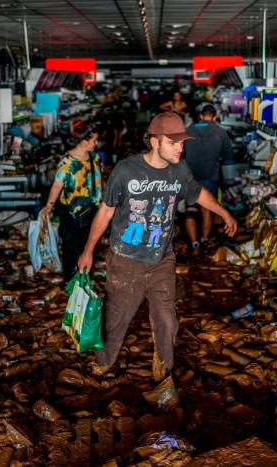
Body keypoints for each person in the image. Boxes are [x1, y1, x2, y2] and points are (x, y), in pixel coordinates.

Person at [77, 112, 237, 382]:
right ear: (154, 142)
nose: (180, 148)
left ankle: (163, 369)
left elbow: (198, 194)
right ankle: (104, 361)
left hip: (162, 258)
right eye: (173, 143)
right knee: (116, 319)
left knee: (166, 319)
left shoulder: (180, 170)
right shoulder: (126, 171)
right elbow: (105, 212)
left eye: (181, 143)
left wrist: (225, 213)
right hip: (126, 260)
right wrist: (88, 250)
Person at [42, 121, 103, 282]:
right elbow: (57, 184)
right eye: (94, 140)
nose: (97, 143)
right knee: (70, 247)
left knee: (88, 246)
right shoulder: (67, 161)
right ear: (84, 141)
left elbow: (99, 181)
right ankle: (69, 281)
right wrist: (49, 205)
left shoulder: (95, 158)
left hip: (91, 210)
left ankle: (84, 280)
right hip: (71, 212)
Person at [183, 104, 234, 253]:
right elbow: (228, 156)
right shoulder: (221, 132)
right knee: (207, 208)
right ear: (215, 116)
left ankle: (195, 244)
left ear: (200, 116)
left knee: (191, 209)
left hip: (190, 175)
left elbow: (181, 152)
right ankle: (204, 239)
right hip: (210, 176)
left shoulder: (189, 130)